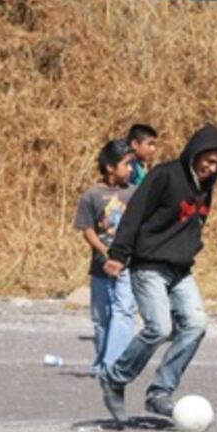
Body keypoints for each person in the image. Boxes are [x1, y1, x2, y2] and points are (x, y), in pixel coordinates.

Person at [97, 124, 217, 425]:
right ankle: (114, 378)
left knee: (196, 325)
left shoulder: (206, 188)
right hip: (148, 265)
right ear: (195, 152)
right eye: (208, 160)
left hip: (180, 270)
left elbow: (193, 226)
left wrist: (191, 247)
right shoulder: (165, 175)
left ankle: (160, 392)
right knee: (158, 328)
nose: (211, 168)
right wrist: (118, 254)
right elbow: (135, 213)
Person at [73, 139, 138, 376]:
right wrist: (105, 251)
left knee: (124, 311)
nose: (130, 169)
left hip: (127, 264)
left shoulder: (133, 193)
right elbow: (87, 230)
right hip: (100, 266)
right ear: (110, 167)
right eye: (126, 164)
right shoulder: (91, 196)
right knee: (102, 318)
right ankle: (102, 363)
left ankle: (113, 365)